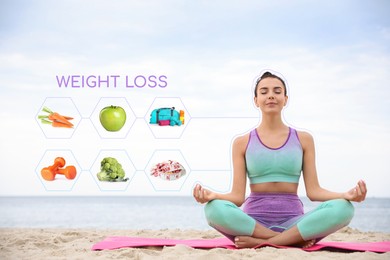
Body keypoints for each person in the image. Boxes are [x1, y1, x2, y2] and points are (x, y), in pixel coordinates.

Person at [193, 71, 367, 248]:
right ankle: (286, 241)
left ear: (285, 99)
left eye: (277, 91)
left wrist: (346, 195)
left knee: (344, 208)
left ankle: (266, 242)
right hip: (253, 225)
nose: (270, 96)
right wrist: (212, 195)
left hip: (295, 223)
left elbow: (314, 191)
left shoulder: (303, 139)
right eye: (264, 92)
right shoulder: (242, 142)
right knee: (212, 209)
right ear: (256, 101)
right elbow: (237, 197)